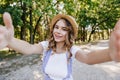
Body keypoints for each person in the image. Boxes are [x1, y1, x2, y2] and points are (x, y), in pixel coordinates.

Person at [0, 12, 120, 80]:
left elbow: (88, 57)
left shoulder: (72, 50)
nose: (58, 31)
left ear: (69, 33)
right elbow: (29, 48)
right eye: (56, 27)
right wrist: (10, 41)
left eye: (64, 29)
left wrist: (111, 53)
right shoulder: (46, 46)